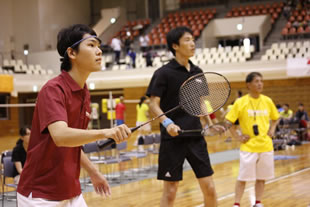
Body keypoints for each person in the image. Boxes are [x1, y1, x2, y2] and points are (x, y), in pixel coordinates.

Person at [17, 24, 131, 207]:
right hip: (40, 195)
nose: (99, 51)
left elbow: (73, 143)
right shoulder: (53, 90)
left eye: (99, 46)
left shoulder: (84, 92)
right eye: (92, 45)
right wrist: (107, 132)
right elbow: (61, 137)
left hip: (70, 190)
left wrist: (93, 172)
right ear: (72, 53)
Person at [146, 26, 217, 207]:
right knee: (170, 192)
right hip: (173, 138)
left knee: (209, 187)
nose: (192, 43)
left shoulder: (197, 72)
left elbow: (200, 102)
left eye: (193, 39)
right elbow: (153, 103)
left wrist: (209, 123)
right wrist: (167, 123)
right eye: (187, 40)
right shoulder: (163, 73)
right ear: (175, 46)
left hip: (195, 136)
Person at [225, 72, 280, 207]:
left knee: (261, 178)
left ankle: (258, 202)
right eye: (256, 81)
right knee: (243, 178)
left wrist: (272, 129)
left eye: (261, 81)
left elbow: (276, 117)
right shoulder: (240, 102)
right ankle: (237, 204)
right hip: (248, 147)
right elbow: (228, 122)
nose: (260, 83)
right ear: (248, 85)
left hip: (266, 146)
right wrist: (237, 136)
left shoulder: (267, 100)